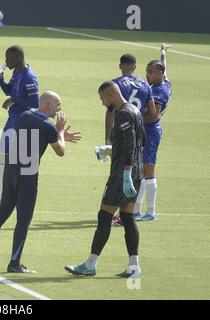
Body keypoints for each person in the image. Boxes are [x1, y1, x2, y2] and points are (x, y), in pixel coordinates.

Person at [0, 91, 81, 273]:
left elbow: (40, 133)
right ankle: (14, 263)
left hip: (10, 170)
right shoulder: (47, 125)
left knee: (2, 213)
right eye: (58, 104)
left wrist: (57, 134)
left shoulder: (25, 115)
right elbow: (61, 151)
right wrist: (60, 133)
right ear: (47, 105)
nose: (60, 108)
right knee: (23, 220)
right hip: (27, 176)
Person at [65, 81, 145, 278]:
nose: (102, 103)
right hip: (137, 172)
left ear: (111, 94)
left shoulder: (124, 113)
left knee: (104, 216)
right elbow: (138, 142)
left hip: (122, 175)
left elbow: (129, 145)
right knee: (127, 217)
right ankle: (134, 266)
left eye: (102, 98)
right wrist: (108, 150)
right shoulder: (135, 110)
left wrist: (125, 174)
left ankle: (90, 264)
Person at [0, 45, 39, 209]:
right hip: (12, 120)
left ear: (18, 58)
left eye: (8, 58)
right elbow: (10, 91)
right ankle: (3, 197)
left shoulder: (29, 77)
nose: (5, 61)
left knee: (11, 160)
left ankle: (10, 198)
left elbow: (34, 103)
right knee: (3, 157)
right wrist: (0, 79)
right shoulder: (17, 72)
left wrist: (14, 101)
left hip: (21, 122)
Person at [107, 53, 156, 225]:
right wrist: (139, 123)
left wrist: (108, 138)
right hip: (140, 134)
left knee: (120, 171)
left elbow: (110, 111)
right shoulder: (144, 83)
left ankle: (121, 214)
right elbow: (153, 113)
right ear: (134, 67)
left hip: (121, 133)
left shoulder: (116, 84)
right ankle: (131, 212)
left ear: (120, 66)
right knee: (136, 172)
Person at [135, 43, 172, 221]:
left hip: (150, 131)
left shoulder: (159, 91)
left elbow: (153, 116)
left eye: (151, 71)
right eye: (147, 70)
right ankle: (136, 210)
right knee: (142, 170)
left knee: (148, 169)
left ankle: (150, 212)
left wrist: (134, 119)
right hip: (150, 130)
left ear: (160, 73)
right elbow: (165, 66)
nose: (147, 74)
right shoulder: (165, 81)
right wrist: (163, 52)